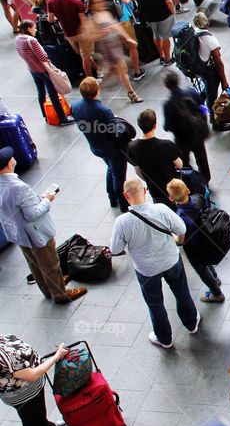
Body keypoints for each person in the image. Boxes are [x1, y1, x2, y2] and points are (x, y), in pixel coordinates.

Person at [110, 177, 199, 349]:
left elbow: (114, 249)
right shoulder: (161, 209)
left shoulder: (122, 222)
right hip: (171, 259)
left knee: (155, 303)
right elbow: (181, 229)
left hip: (146, 269)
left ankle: (164, 338)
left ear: (125, 195)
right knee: (181, 292)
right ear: (145, 191)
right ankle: (191, 323)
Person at [0, 147, 85, 303]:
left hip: (17, 232)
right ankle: (60, 294)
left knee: (34, 263)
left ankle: (48, 289)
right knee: (50, 264)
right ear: (8, 165)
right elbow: (33, 214)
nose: (13, 158)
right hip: (35, 234)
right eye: (10, 158)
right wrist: (47, 199)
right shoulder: (19, 187)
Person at [0, 336, 73, 426]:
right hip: (22, 394)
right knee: (30, 419)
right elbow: (32, 375)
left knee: (38, 411)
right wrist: (57, 356)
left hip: (30, 389)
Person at [72, 77, 134, 211]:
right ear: (97, 91)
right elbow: (115, 134)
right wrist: (119, 124)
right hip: (113, 149)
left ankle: (112, 198)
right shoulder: (103, 110)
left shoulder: (75, 106)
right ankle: (124, 205)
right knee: (119, 176)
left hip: (96, 146)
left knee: (111, 169)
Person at [165, 178, 224, 304]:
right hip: (206, 240)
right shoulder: (198, 198)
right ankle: (215, 278)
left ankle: (216, 293)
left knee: (202, 270)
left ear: (171, 199)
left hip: (194, 248)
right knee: (206, 261)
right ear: (188, 190)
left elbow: (180, 240)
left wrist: (172, 235)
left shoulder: (180, 217)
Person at [82, 0, 143, 103]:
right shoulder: (91, 19)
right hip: (106, 49)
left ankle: (104, 88)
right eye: (97, 3)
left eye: (101, 1)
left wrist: (126, 38)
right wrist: (101, 34)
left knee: (117, 71)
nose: (100, 4)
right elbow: (88, 36)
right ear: (91, 5)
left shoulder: (105, 13)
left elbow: (116, 26)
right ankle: (131, 93)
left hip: (114, 45)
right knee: (121, 68)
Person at [14, 20, 73, 126]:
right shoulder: (32, 40)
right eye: (34, 27)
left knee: (41, 92)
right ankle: (63, 118)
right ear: (28, 28)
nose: (36, 29)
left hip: (32, 69)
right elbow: (43, 57)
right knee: (53, 94)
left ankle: (45, 115)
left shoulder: (18, 39)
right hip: (43, 70)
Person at [161, 71, 212, 182]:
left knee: (184, 162)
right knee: (201, 157)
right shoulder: (191, 92)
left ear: (166, 85)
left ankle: (192, 181)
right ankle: (205, 179)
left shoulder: (168, 104)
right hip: (197, 132)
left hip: (182, 139)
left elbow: (167, 126)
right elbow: (203, 108)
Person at [127, 109, 183, 207]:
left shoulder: (131, 147)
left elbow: (138, 172)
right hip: (172, 186)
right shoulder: (166, 145)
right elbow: (179, 165)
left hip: (154, 189)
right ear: (155, 126)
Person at [129, 0, 176, 64]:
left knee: (156, 36)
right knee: (165, 37)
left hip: (148, 17)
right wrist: (173, 12)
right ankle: (168, 58)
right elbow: (168, 1)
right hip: (163, 15)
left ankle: (161, 56)